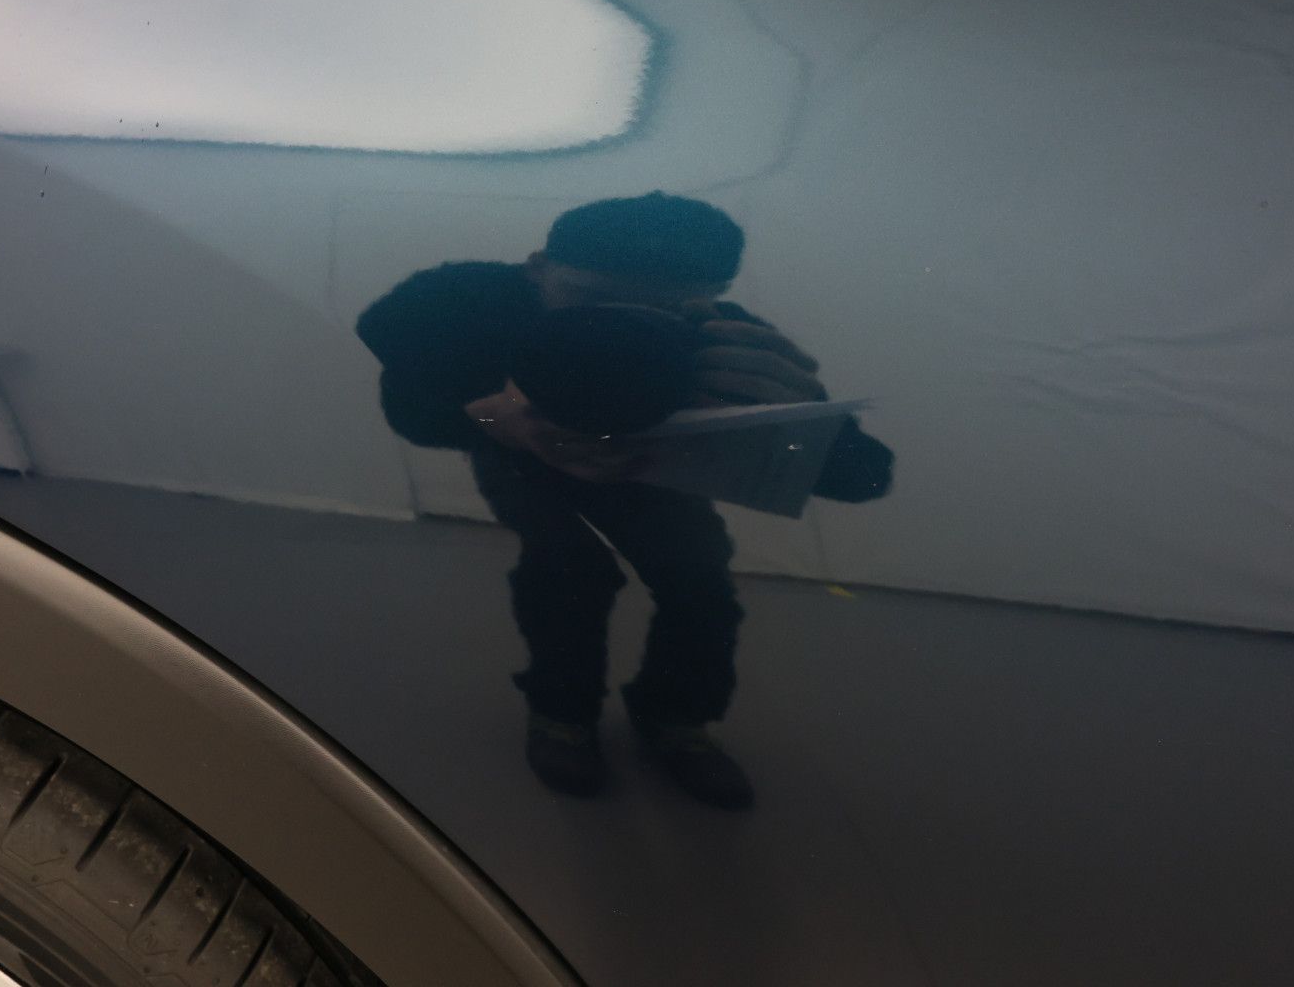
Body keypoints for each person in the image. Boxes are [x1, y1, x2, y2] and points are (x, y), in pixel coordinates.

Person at [356, 193, 892, 809]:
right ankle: (566, 716)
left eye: (668, 310)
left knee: (698, 581)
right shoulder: (474, 300)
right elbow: (410, 403)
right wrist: (494, 422)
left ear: (713, 296)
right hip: (523, 457)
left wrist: (803, 420)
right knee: (568, 568)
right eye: (590, 298)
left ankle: (674, 720)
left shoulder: (723, 337)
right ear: (536, 269)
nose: (623, 324)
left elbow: (864, 477)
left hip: (641, 466)